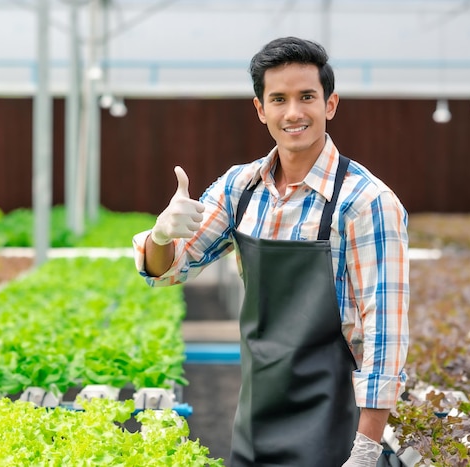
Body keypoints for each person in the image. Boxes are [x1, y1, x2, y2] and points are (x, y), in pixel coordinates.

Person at [132, 36, 409, 467]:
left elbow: (384, 332)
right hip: (254, 421)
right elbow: (168, 272)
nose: (293, 112)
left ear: (330, 104)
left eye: (307, 97)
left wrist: (366, 449)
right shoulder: (240, 189)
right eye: (278, 99)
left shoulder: (366, 202)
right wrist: (162, 237)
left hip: (333, 426)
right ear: (261, 110)